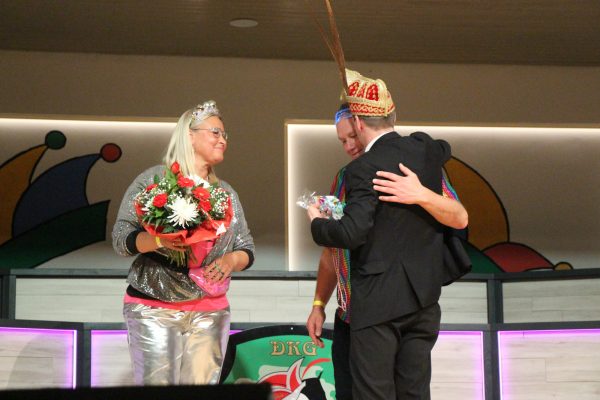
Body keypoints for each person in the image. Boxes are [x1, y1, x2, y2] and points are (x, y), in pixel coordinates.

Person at [308, 70, 461, 400]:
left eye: (352, 136)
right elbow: (333, 252)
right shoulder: (346, 176)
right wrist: (319, 303)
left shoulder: (416, 167)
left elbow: (459, 216)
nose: (350, 146)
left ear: (361, 124)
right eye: (342, 141)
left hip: (393, 304)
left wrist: (420, 194)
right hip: (353, 310)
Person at [112, 100, 254, 385]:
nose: (223, 140)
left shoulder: (226, 193)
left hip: (210, 310)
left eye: (225, 134)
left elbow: (246, 248)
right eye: (215, 132)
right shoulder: (154, 181)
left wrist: (231, 260)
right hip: (154, 307)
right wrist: (158, 240)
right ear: (189, 136)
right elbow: (120, 238)